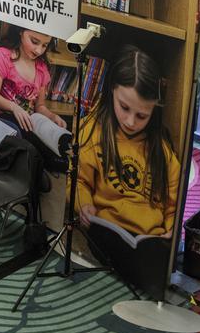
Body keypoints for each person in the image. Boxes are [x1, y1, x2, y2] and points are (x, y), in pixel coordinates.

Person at [76, 46, 179, 238]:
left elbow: (174, 206)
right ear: (111, 90)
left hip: (150, 240)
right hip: (104, 231)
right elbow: (78, 181)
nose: (131, 122)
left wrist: (172, 229)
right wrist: (84, 204)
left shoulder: (162, 150)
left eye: (142, 115)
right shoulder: (92, 132)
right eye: (124, 107)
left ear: (154, 110)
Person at [0, 24, 66, 133]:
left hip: (30, 124)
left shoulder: (42, 68)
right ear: (21, 31)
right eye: (34, 42)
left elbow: (40, 106)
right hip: (4, 120)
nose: (38, 51)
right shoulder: (3, 56)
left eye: (44, 45)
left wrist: (52, 116)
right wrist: (14, 108)